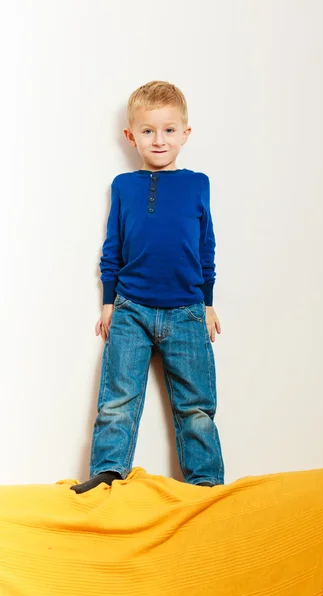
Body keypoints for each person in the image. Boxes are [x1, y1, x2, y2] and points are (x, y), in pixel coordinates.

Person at [71, 81, 224, 493]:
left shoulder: (198, 184)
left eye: (169, 130)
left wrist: (208, 301)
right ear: (131, 136)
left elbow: (205, 245)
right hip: (131, 309)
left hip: (188, 309)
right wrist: (108, 301)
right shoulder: (124, 186)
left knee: (196, 407)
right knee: (117, 400)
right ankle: (108, 471)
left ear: (185, 134)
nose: (159, 140)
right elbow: (113, 246)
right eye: (148, 131)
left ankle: (207, 483)